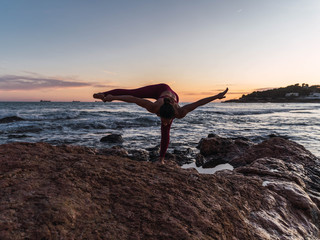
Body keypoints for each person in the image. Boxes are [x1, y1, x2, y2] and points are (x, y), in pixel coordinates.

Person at [93, 83, 228, 164]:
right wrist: (113, 98)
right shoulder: (153, 107)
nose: (164, 122)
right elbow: (133, 98)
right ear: (158, 113)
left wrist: (217, 96)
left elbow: (199, 103)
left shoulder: (180, 112)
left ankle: (161, 159)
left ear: (173, 116)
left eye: (167, 120)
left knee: (165, 131)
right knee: (134, 91)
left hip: (172, 95)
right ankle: (103, 94)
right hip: (160, 89)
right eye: (163, 119)